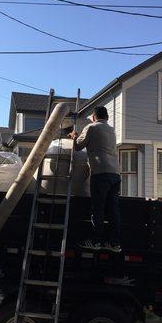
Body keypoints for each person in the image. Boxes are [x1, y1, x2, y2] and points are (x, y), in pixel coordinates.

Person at [69, 106, 121, 252]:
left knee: (98, 209)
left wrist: (74, 136)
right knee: (113, 210)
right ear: (107, 117)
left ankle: (96, 241)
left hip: (100, 173)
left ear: (93, 117)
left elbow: (78, 147)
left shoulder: (91, 128)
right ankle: (115, 243)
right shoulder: (112, 130)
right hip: (115, 174)